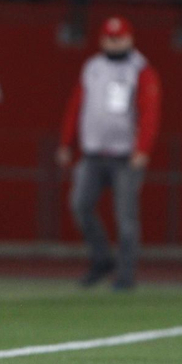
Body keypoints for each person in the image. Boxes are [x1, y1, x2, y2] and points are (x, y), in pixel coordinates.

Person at [55, 17, 162, 291]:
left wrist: (142, 149)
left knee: (126, 218)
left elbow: (150, 112)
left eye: (119, 38)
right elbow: (77, 105)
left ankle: (125, 275)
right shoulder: (93, 67)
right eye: (109, 38)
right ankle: (102, 258)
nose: (114, 43)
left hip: (125, 156)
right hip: (92, 153)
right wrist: (66, 143)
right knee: (80, 205)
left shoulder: (140, 69)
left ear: (129, 38)